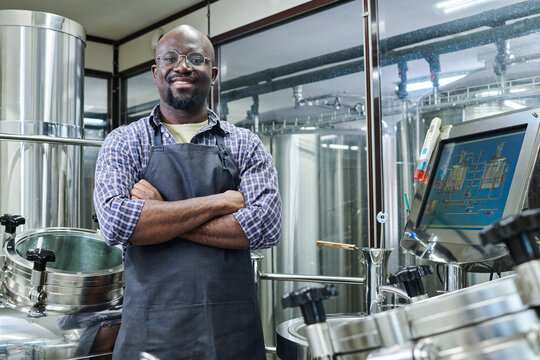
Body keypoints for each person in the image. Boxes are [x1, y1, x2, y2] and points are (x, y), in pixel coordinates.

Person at [93, 24, 282, 360]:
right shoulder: (124, 141)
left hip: (232, 331)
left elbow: (265, 227)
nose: (182, 66)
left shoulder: (244, 143)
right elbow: (117, 224)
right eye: (170, 58)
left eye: (195, 58)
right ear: (156, 71)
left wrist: (160, 213)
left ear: (212, 73)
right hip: (151, 332)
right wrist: (221, 201)